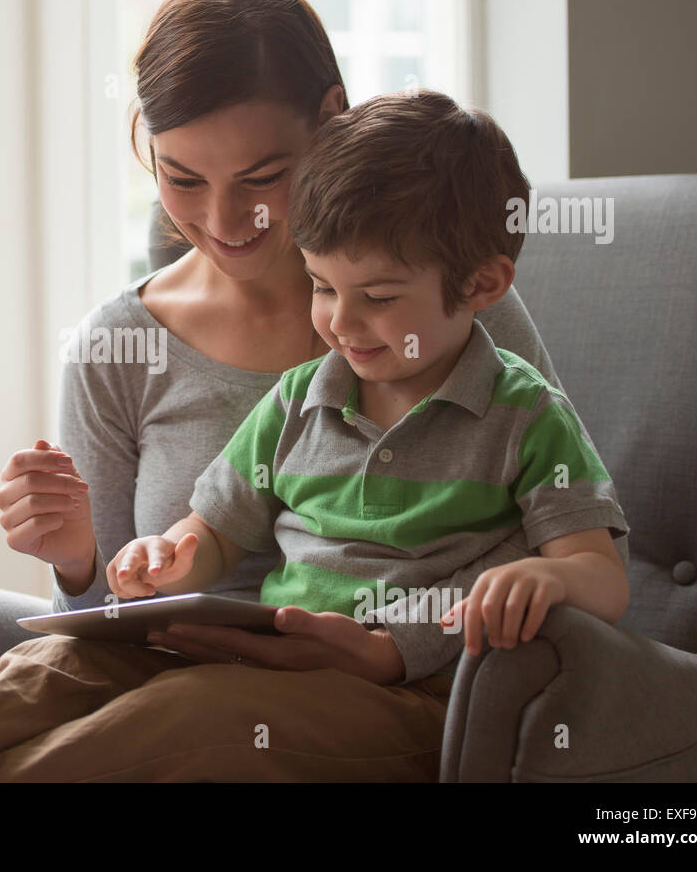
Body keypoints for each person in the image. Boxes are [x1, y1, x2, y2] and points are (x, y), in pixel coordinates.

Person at [0, 0, 609, 783]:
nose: (227, 219)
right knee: (56, 674)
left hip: (358, 694)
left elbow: (558, 539)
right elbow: (125, 595)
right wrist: (88, 557)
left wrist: (393, 641)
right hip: (189, 662)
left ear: (331, 122)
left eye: (264, 176)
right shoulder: (141, 354)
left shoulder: (449, 307)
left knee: (179, 719)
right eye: (182, 178)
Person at [107, 89, 630, 693]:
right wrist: (165, 556)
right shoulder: (295, 400)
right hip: (263, 666)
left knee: (168, 725)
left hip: (397, 700)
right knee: (44, 671)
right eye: (322, 287)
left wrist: (554, 579)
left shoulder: (526, 416)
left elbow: (605, 579)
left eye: (378, 298)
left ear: (481, 283)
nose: (341, 324)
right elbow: (216, 532)